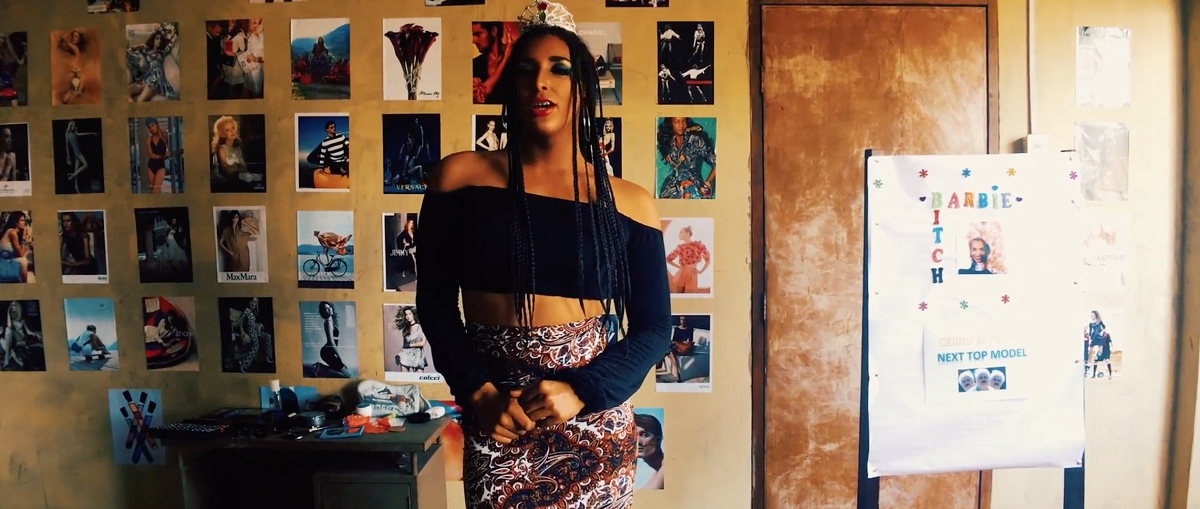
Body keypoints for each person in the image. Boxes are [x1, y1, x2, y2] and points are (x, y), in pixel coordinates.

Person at [415, 2, 671, 507]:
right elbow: (436, 306)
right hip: (499, 418)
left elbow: (654, 328)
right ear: (510, 86)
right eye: (526, 70)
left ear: (584, 88)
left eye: (560, 69)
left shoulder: (630, 202)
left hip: (592, 422)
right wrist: (478, 393)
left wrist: (581, 390)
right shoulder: (459, 178)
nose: (541, 83)